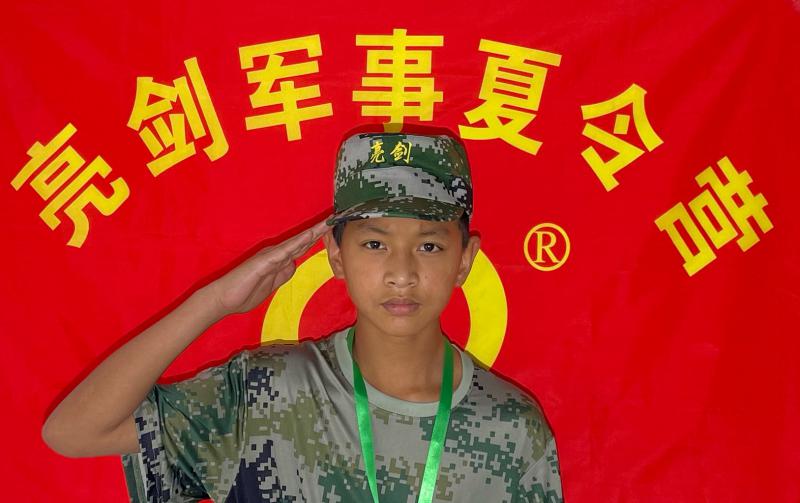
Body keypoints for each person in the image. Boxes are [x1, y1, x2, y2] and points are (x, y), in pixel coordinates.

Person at [42, 129, 564, 502]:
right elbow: (74, 433)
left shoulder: (511, 427)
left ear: (465, 260)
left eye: (429, 246)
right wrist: (215, 301)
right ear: (336, 255)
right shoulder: (265, 393)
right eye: (375, 244)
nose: (401, 274)